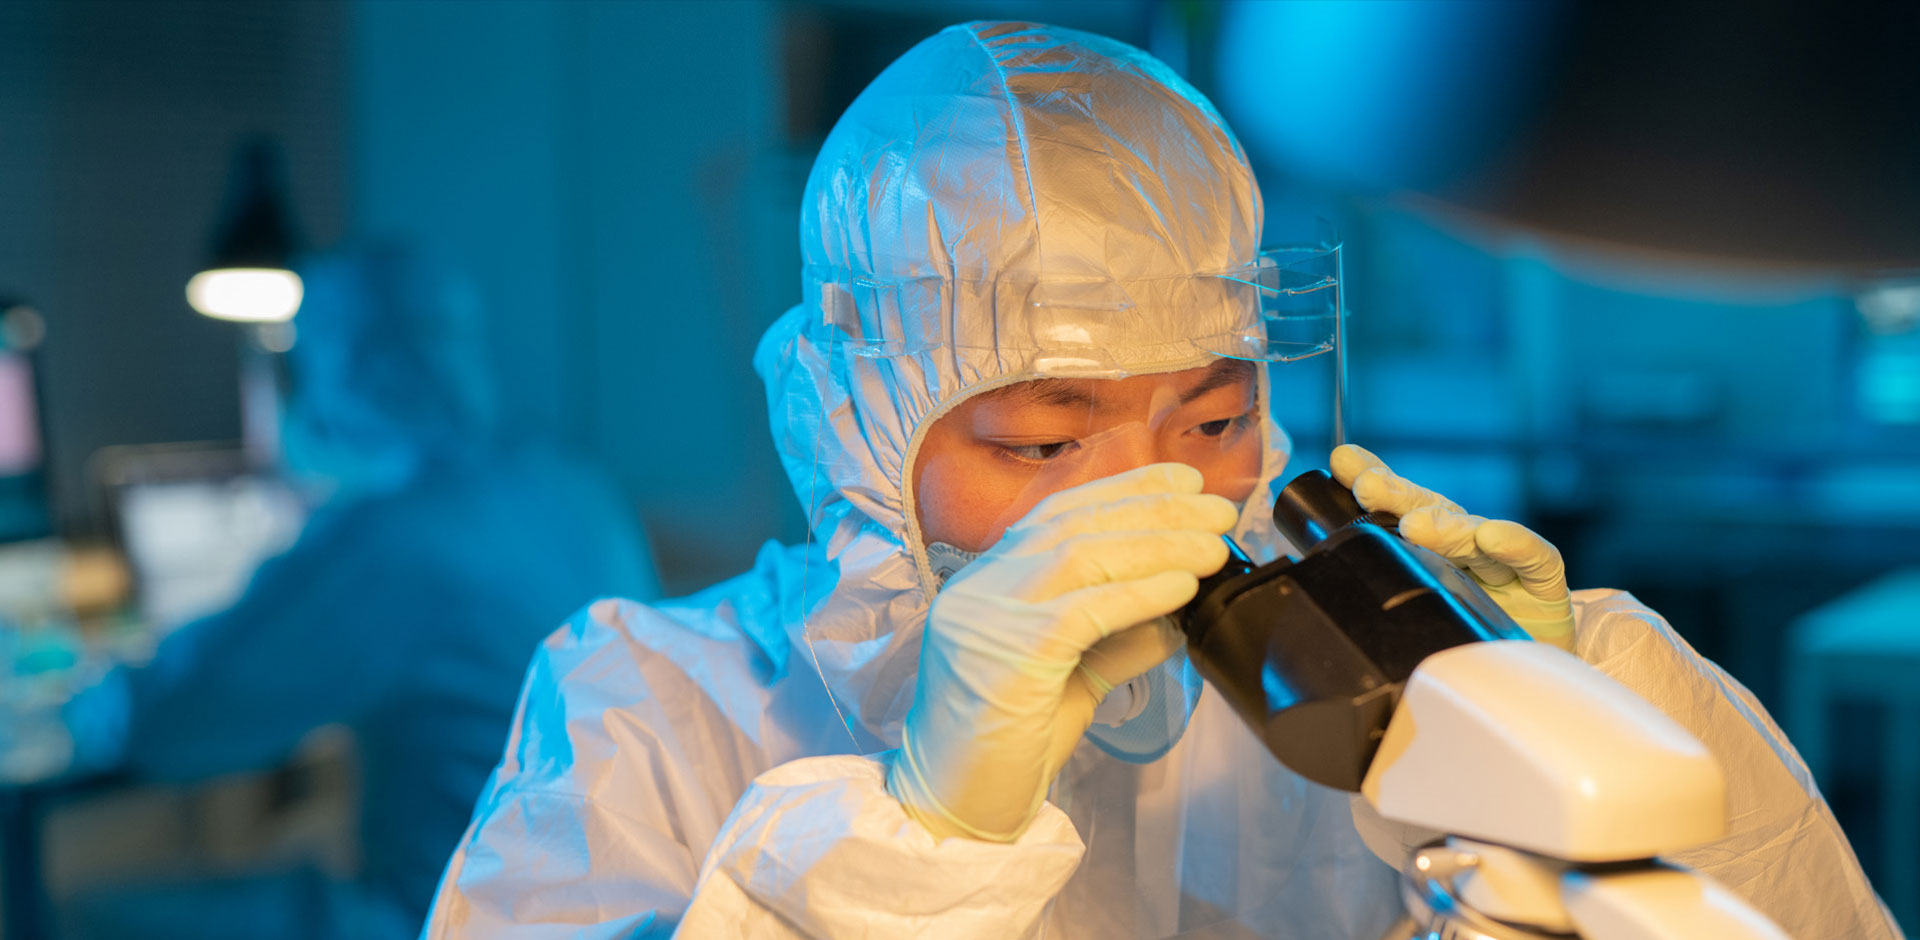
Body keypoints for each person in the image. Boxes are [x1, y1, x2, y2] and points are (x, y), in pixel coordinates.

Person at [420, 22, 1898, 940]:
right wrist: (923, 840)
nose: (1161, 514)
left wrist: (1560, 748)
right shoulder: (649, 711)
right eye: (1043, 444)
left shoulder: (1382, 701)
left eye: (1213, 420)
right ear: (858, 429)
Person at [56, 244, 660, 939]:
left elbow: (166, 721)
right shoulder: (575, 489)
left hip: (455, 922)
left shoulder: (394, 538)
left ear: (334, 374)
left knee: (80, 913)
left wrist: (84, 697)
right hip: (621, 915)